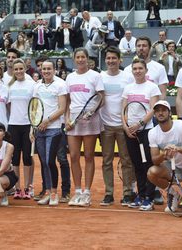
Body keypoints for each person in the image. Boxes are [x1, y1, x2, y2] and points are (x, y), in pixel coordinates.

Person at [65, 48, 104, 207]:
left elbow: (102, 98)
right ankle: (78, 192)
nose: (80, 60)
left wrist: (92, 112)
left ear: (87, 59)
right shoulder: (70, 77)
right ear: (74, 59)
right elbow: (67, 101)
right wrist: (67, 118)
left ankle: (87, 193)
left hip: (90, 121)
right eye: (78, 57)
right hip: (73, 121)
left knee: (88, 156)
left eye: (83, 57)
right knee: (74, 156)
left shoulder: (95, 76)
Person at [122, 58, 161, 211]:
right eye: (135, 68)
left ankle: (149, 198)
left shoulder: (152, 87)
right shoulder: (128, 88)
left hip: (146, 131)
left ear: (146, 70)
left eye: (140, 68)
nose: (137, 71)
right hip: (130, 132)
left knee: (148, 164)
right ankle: (141, 194)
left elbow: (153, 109)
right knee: (137, 165)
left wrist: (139, 124)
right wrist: (126, 127)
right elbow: (123, 109)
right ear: (132, 71)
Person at [99, 46, 135, 206]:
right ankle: (109, 193)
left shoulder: (127, 77)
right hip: (105, 125)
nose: (111, 61)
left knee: (126, 160)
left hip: (123, 125)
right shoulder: (100, 77)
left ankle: (128, 192)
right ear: (105, 60)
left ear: (120, 59)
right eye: (108, 58)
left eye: (114, 58)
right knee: (106, 161)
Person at [30, 60, 67, 206]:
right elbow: (34, 108)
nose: (46, 71)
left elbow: (62, 108)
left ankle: (53, 193)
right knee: (44, 162)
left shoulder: (60, 85)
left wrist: (47, 121)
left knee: (50, 161)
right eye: (44, 69)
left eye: (49, 69)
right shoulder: (37, 86)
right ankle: (46, 191)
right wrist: (32, 128)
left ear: (54, 70)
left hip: (54, 128)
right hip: (39, 129)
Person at [147, 100, 182, 214]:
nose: (160, 113)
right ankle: (175, 195)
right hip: (172, 169)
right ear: (154, 114)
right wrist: (164, 154)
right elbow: (155, 160)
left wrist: (178, 149)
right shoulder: (153, 133)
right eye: (157, 111)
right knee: (152, 172)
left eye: (163, 110)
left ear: (169, 113)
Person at [7, 59, 34, 200]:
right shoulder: (10, 86)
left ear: (25, 68)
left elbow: (35, 107)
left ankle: (28, 188)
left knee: (27, 158)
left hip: (28, 125)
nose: (18, 71)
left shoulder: (32, 85)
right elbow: (8, 106)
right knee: (15, 158)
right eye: (16, 69)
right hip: (13, 125)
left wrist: (32, 126)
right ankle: (17, 188)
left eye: (20, 68)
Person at [124, 36, 168, 101]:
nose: (141, 48)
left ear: (150, 48)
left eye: (144, 46)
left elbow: (162, 93)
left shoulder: (160, 68)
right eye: (138, 46)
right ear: (135, 48)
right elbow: (125, 94)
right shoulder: (127, 70)